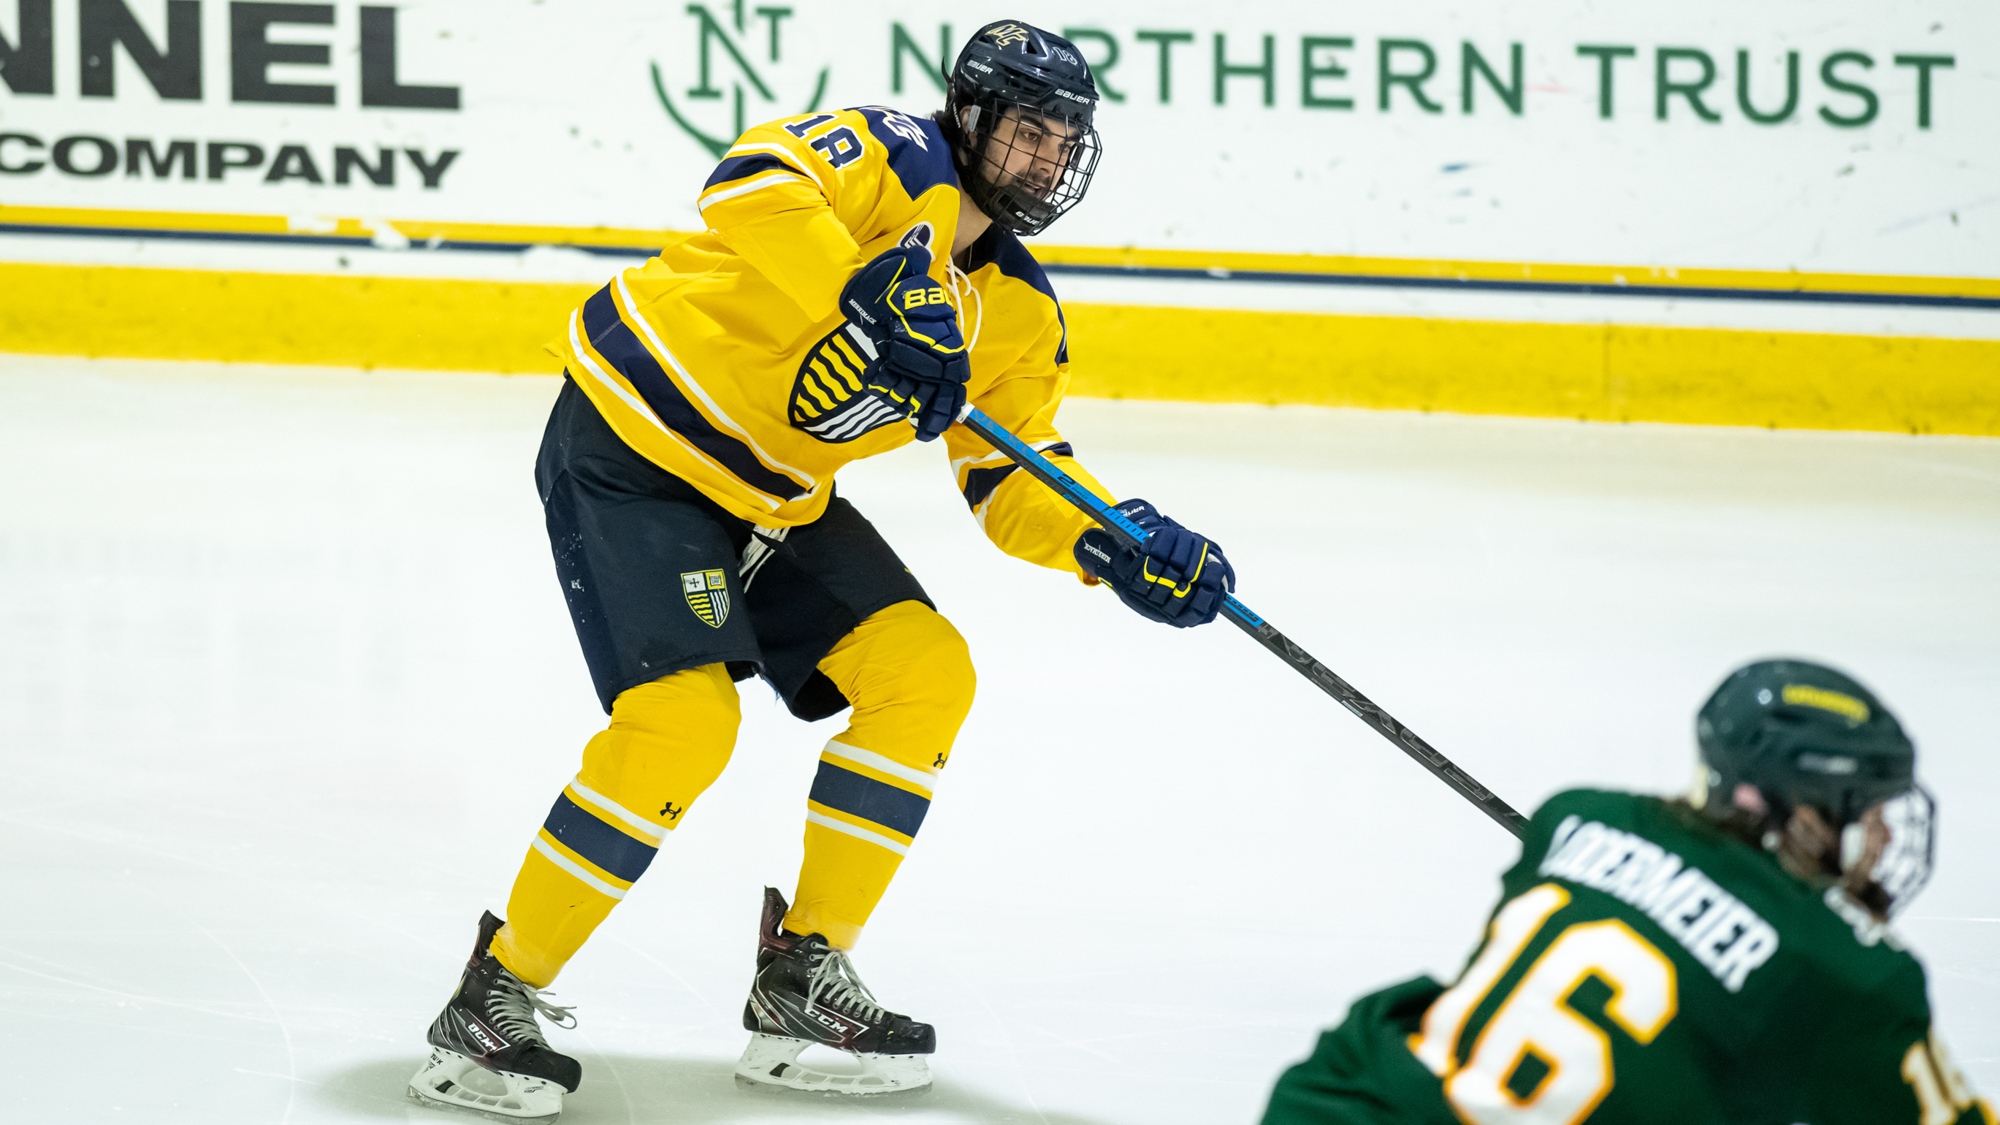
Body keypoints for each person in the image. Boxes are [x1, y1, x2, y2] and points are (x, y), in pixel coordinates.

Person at [407, 20, 1237, 1122]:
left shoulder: (1019, 310)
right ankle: (495, 990)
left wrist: (1107, 542)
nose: (1043, 158)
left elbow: (1007, 477)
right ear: (973, 118)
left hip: (774, 499)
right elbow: (747, 182)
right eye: (1026, 129)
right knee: (682, 725)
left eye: (1062, 140)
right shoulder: (890, 151)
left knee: (925, 674)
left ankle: (804, 974)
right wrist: (864, 287)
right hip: (635, 448)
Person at [1262, 658, 1992, 1125]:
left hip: (1338, 1103)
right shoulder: (1846, 969)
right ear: (1798, 813)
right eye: (1864, 813)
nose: (1884, 840)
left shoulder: (1577, 817)